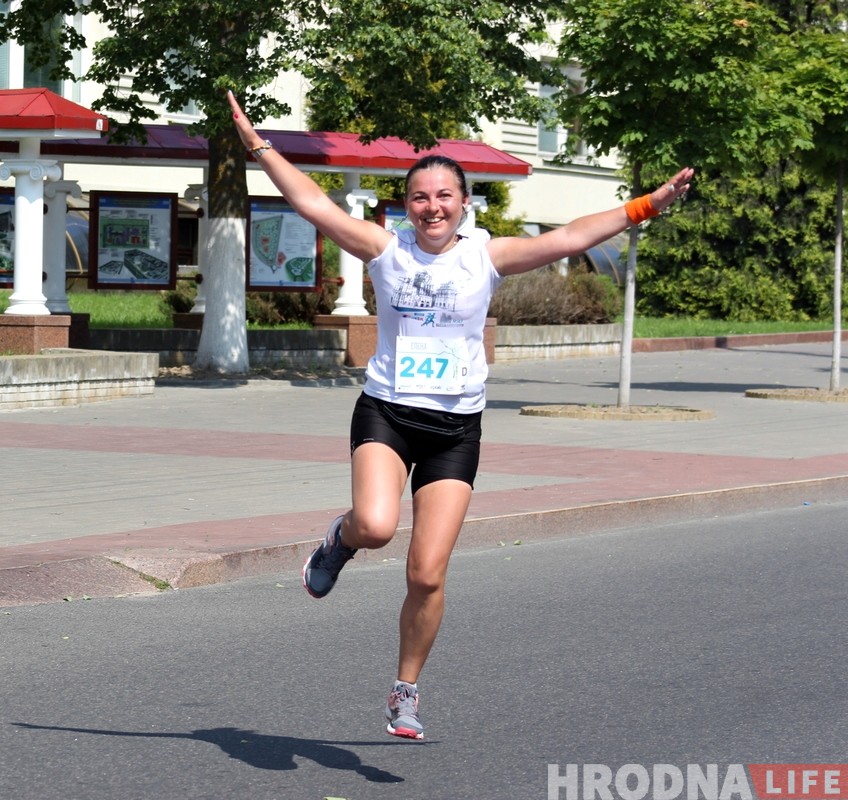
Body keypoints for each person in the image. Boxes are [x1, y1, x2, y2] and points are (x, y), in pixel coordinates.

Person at [228, 90, 692, 740]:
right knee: (377, 523)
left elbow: (572, 235)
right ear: (406, 205)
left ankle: (404, 690)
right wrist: (260, 146)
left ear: (464, 203)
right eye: (420, 196)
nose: (432, 206)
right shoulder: (386, 251)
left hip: (455, 430)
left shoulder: (486, 257)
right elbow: (312, 202)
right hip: (387, 413)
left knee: (427, 572)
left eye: (444, 195)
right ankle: (340, 541)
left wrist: (646, 205)